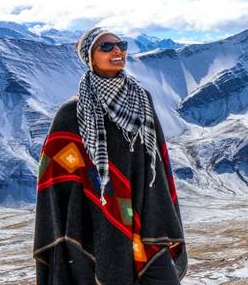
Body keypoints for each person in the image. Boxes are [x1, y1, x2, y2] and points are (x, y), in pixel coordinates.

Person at [33, 27, 187, 284]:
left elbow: (156, 162)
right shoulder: (72, 113)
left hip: (143, 217)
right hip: (91, 224)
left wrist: (159, 211)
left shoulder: (142, 100)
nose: (117, 51)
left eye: (121, 45)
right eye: (106, 47)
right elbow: (54, 176)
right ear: (89, 57)